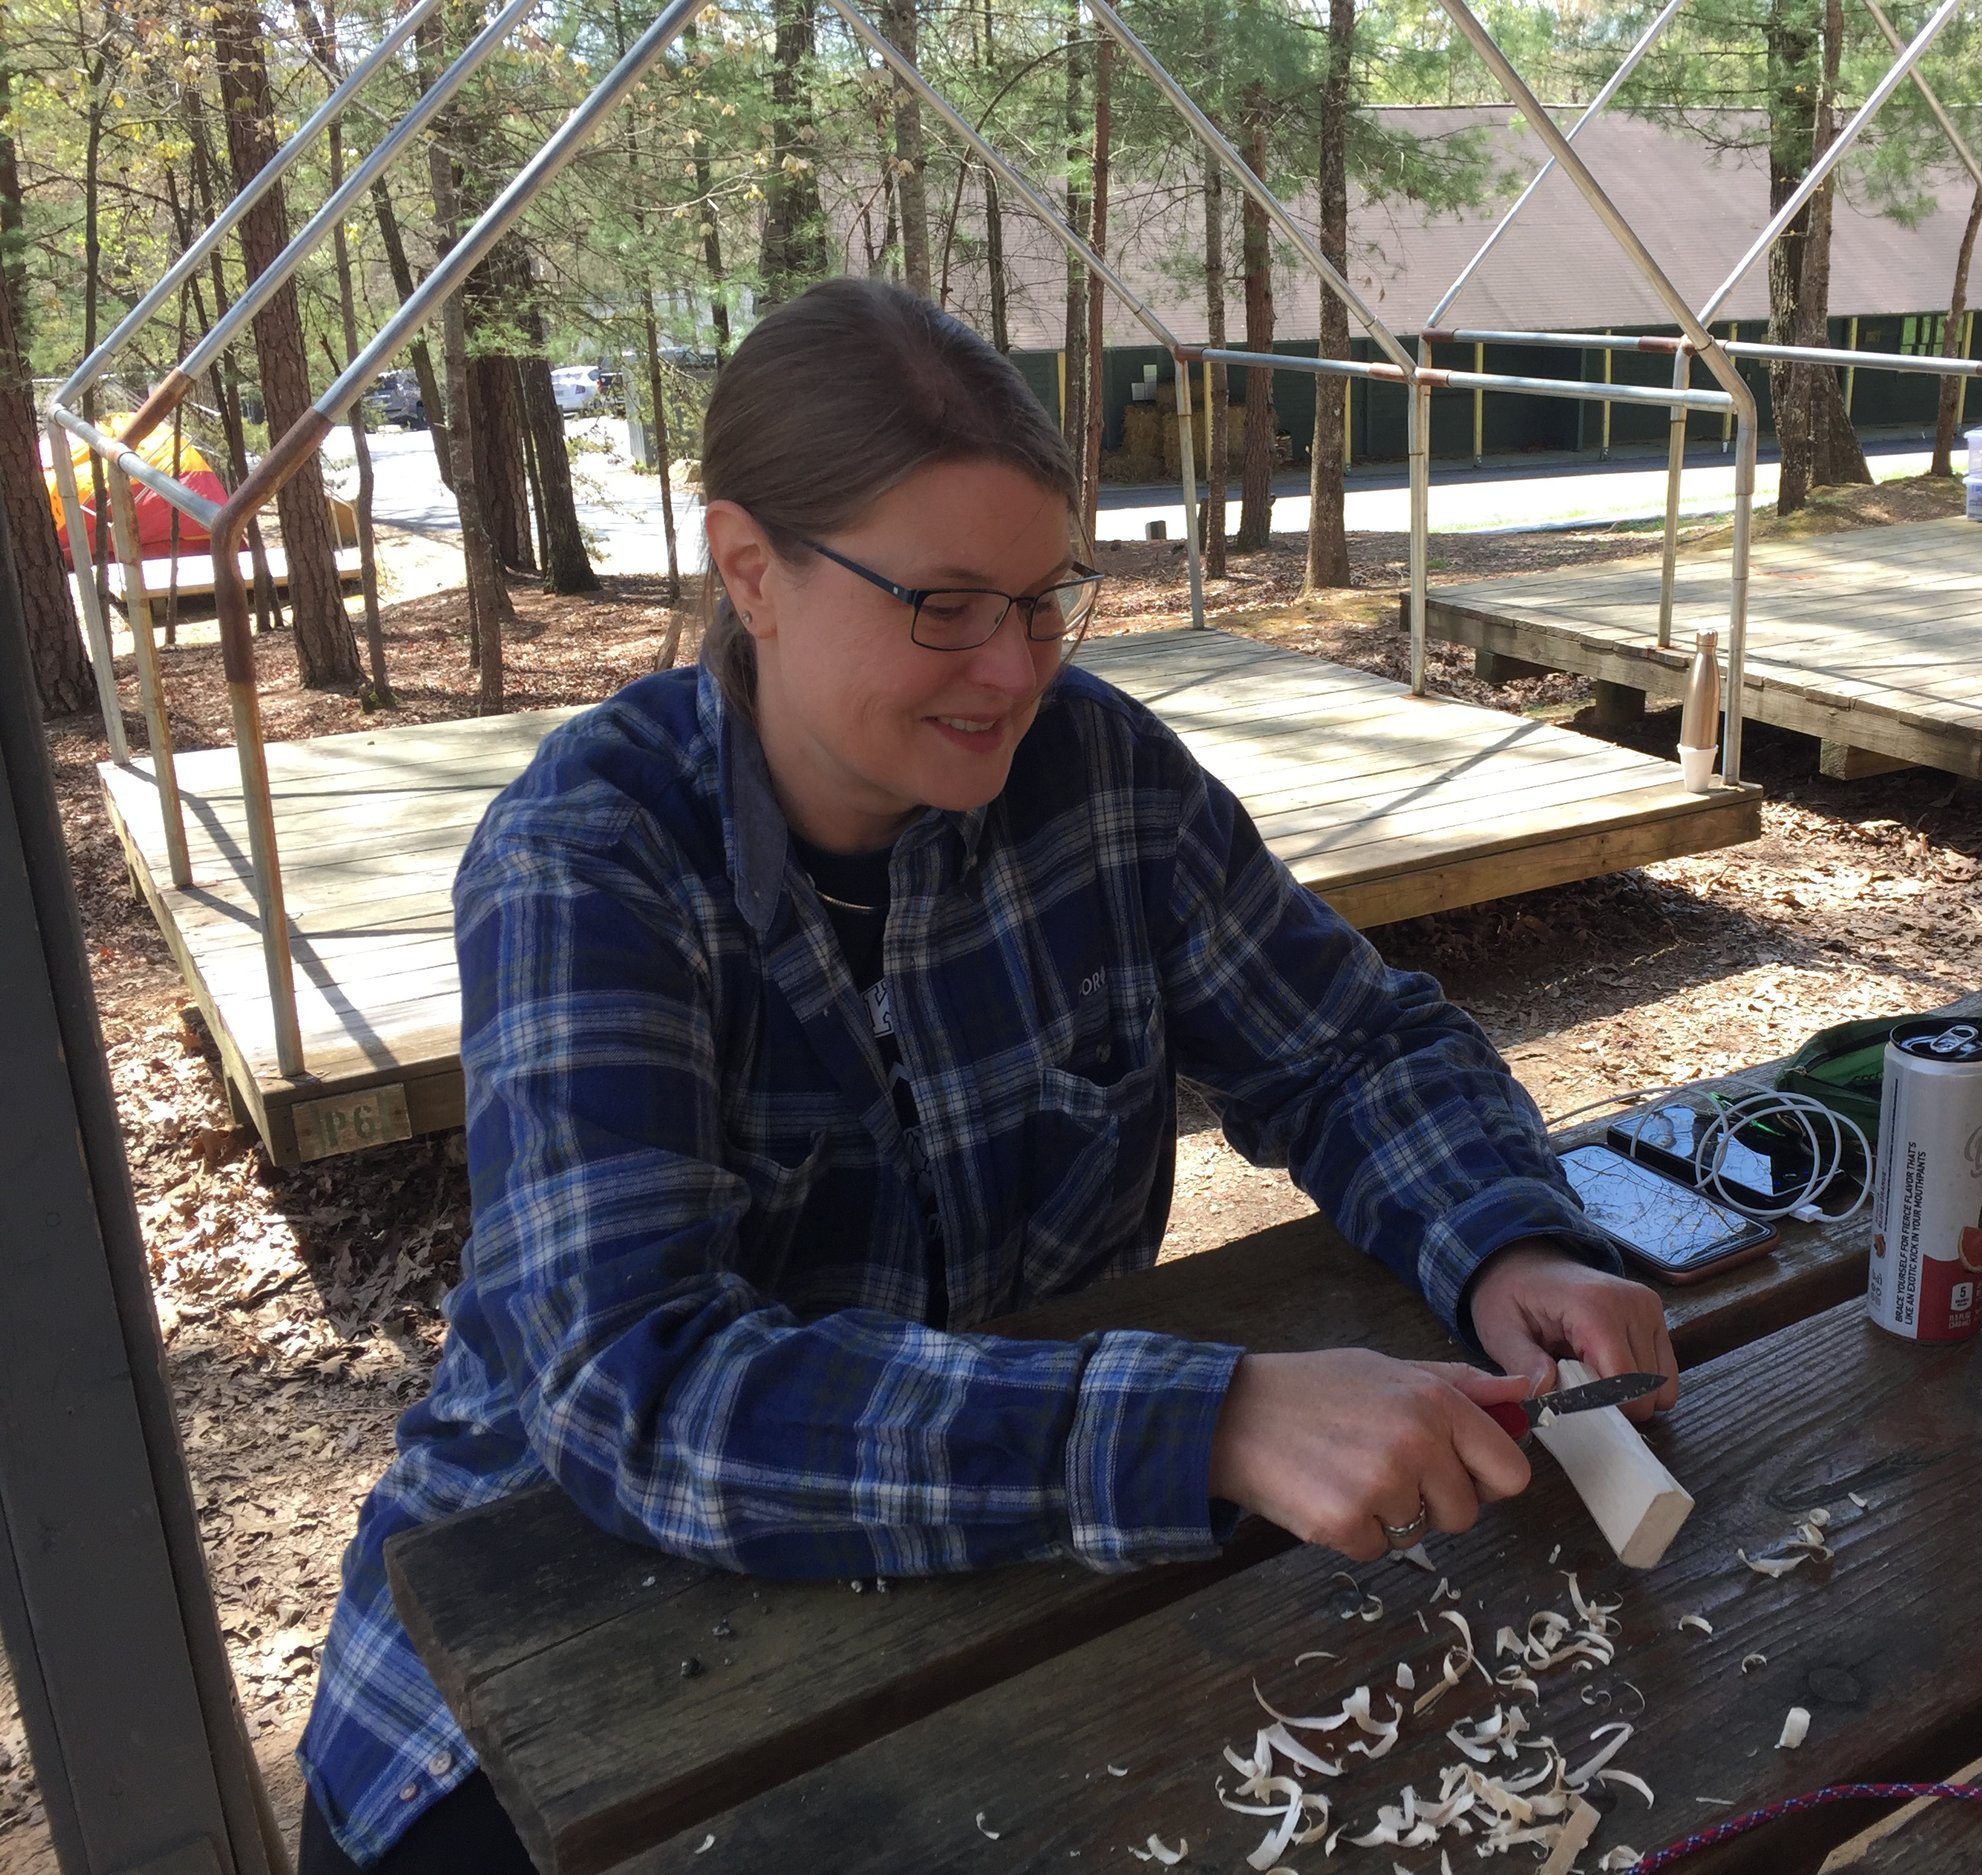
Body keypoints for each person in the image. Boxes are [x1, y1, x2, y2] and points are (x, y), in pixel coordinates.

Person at [294, 278, 1677, 1871]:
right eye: (944, 603)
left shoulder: (1100, 775)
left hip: (990, 1605)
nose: (1015, 671)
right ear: (748, 567)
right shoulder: (591, 863)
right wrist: (1210, 1421)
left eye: (1042, 599)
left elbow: (1354, 1050)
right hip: (540, 1682)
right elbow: (642, 1391)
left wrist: (1511, 1237)